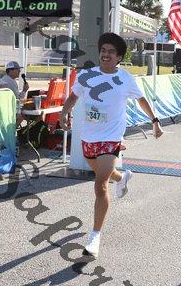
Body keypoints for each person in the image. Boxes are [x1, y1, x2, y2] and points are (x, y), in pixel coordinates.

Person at [60, 32, 163, 259]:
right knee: (102, 174)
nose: (106, 54)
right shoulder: (86, 75)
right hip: (89, 138)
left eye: (111, 52)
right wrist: (64, 113)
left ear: (119, 57)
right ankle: (122, 177)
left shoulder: (125, 79)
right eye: (103, 50)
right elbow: (73, 97)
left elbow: (141, 100)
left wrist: (155, 121)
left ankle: (94, 237)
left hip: (111, 138)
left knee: (100, 185)